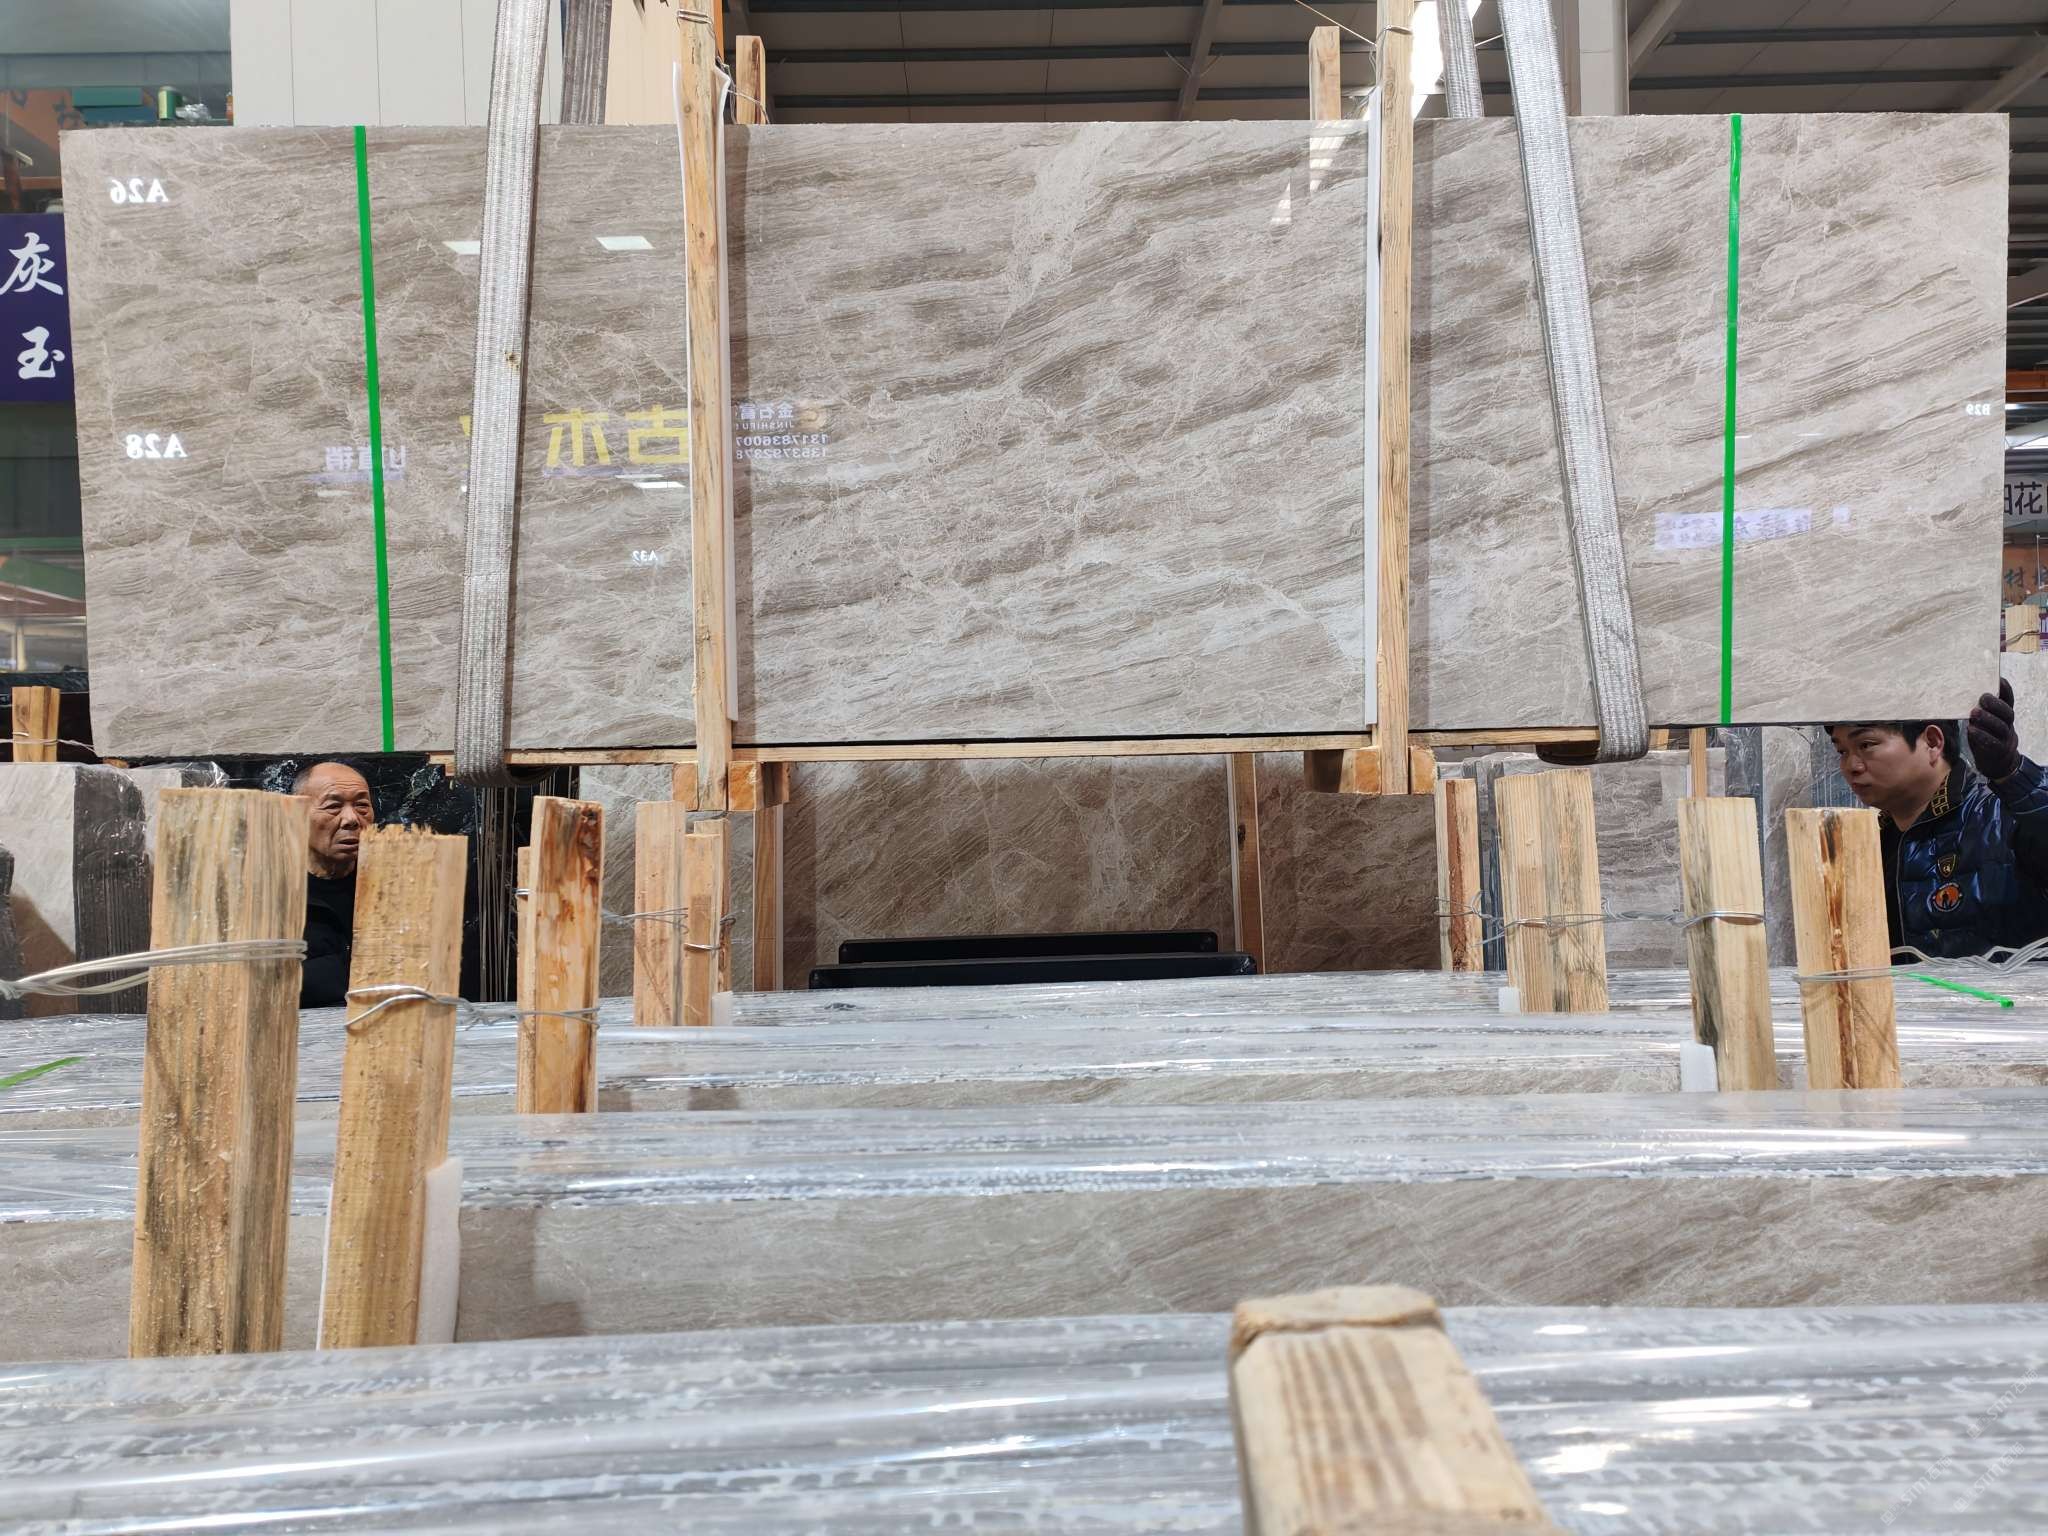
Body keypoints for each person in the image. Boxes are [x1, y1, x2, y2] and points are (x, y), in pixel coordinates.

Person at [1828, 679, 2048, 959]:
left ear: (1932, 743)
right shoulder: (1871, 847)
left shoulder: (2002, 816)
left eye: (1866, 744)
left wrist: (2015, 775)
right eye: (1842, 751)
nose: (1851, 766)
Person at [293, 761, 376, 1007]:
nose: (352, 819)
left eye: (362, 805)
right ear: (296, 814)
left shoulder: (392, 886)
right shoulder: (273, 894)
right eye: (333, 806)